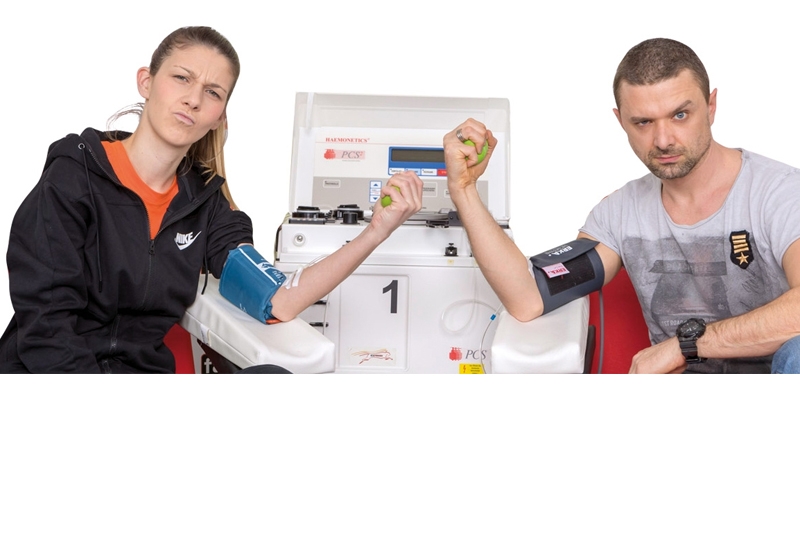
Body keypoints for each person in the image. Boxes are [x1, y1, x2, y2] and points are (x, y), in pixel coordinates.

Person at [0, 26, 422, 373]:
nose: (194, 99)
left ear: (219, 117)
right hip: (50, 377)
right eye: (181, 78)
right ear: (146, 81)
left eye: (214, 92)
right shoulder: (74, 178)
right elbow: (46, 328)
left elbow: (277, 301)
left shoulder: (206, 205)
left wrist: (375, 232)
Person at [443, 38, 800, 374]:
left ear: (711, 106)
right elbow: (529, 297)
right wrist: (464, 190)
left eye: (680, 115)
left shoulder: (779, 192)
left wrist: (685, 346)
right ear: (621, 121)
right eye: (643, 122)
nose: (663, 140)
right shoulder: (621, 213)